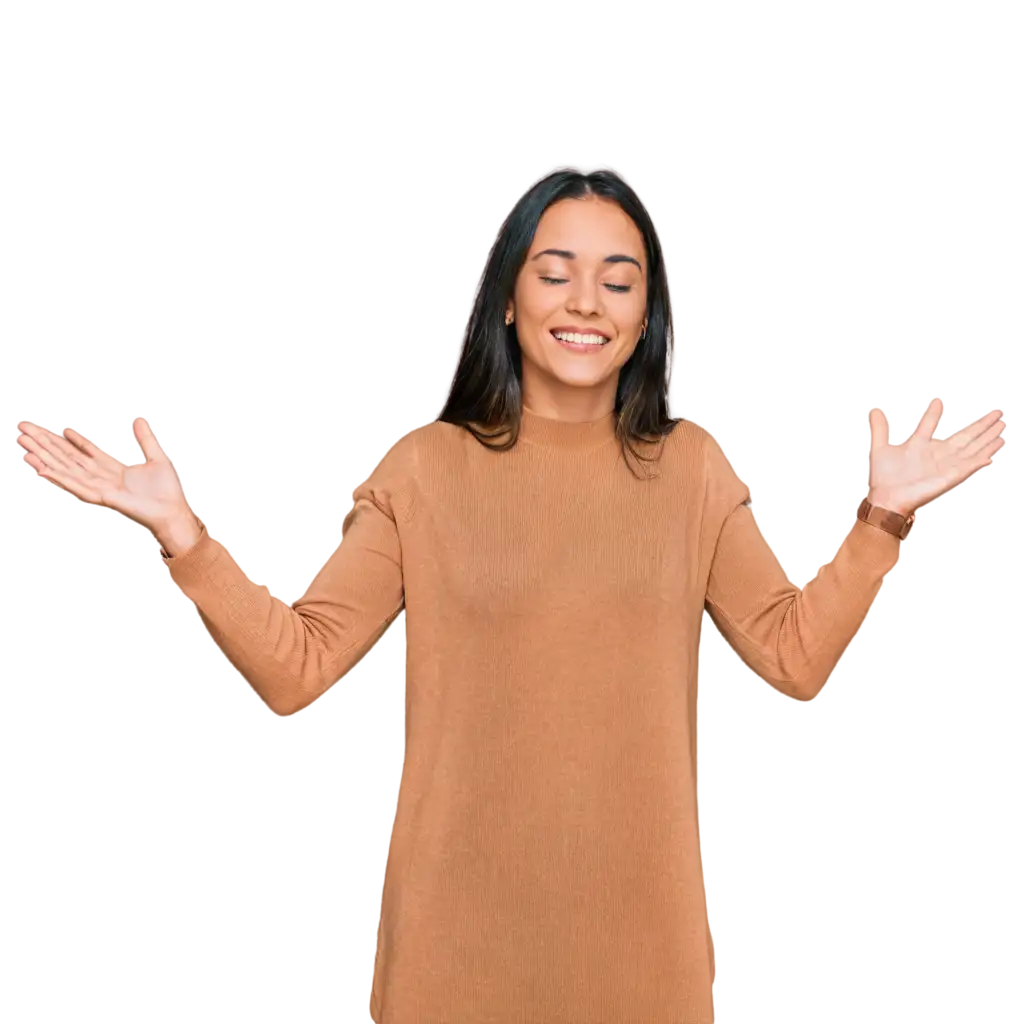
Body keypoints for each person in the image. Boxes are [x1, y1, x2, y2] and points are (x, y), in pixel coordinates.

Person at [16, 164, 1005, 1024]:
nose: (587, 301)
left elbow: (792, 651)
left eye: (619, 280)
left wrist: (882, 518)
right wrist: (177, 529)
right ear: (506, 298)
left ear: (644, 315)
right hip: (454, 963)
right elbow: (297, 667)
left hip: (640, 965)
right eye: (555, 271)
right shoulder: (427, 469)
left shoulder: (688, 469)